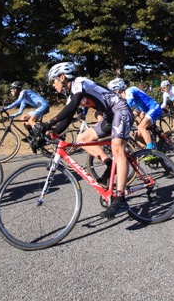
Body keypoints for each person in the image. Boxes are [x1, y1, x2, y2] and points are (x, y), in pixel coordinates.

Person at [39, 63, 133, 219]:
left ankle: (120, 198)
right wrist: (51, 134)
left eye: (53, 81)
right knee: (83, 139)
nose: (53, 85)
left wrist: (48, 123)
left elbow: (71, 107)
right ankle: (110, 164)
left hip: (120, 110)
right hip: (110, 116)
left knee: (118, 149)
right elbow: (68, 118)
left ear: (62, 77)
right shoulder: (72, 94)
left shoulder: (80, 83)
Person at [108, 78, 161, 152]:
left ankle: (151, 150)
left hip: (154, 108)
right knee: (137, 135)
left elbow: (128, 106)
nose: (112, 93)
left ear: (117, 89)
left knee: (141, 127)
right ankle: (154, 146)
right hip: (146, 110)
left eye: (112, 90)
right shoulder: (123, 97)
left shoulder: (129, 90)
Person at [0, 81, 50, 150]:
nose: (10, 92)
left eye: (11, 90)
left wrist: (5, 108)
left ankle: (39, 137)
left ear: (15, 89)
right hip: (39, 107)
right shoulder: (24, 99)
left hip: (43, 106)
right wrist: (10, 117)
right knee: (23, 118)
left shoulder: (23, 92)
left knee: (31, 120)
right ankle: (32, 136)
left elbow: (17, 102)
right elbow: (20, 112)